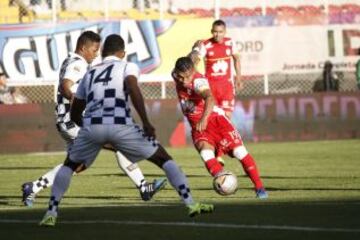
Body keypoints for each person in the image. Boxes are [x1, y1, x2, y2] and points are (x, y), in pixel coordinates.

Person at [39, 34, 214, 226]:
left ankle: (51, 213)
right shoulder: (127, 66)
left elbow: (76, 111)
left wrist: (86, 129)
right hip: (121, 125)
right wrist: (146, 122)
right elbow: (133, 89)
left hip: (92, 126)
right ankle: (190, 203)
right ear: (122, 53)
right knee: (164, 159)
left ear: (103, 52)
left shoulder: (90, 72)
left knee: (69, 166)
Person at [22, 31, 165, 207]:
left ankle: (32, 187)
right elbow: (66, 85)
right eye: (94, 49)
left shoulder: (74, 62)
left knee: (76, 166)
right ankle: (144, 188)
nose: (96, 54)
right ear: (83, 48)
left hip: (69, 122)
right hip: (73, 122)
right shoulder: (78, 64)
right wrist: (79, 103)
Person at [172, 56, 268, 199]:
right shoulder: (175, 74)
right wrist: (196, 50)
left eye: (187, 77)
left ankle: (259, 188)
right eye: (180, 77)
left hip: (216, 121)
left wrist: (204, 119)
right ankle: (224, 181)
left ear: (193, 72)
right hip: (198, 127)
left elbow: (210, 98)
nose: (184, 81)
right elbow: (192, 57)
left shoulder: (199, 82)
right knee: (206, 154)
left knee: (239, 152)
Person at [189, 19, 242, 120]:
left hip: (227, 87)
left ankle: (224, 136)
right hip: (211, 87)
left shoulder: (230, 43)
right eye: (215, 32)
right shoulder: (206, 44)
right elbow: (195, 61)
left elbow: (237, 59)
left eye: (220, 32)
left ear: (225, 32)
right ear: (211, 31)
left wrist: (238, 77)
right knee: (212, 118)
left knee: (227, 117)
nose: (217, 35)